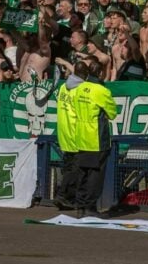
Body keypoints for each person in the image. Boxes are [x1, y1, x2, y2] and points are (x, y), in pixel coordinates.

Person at [56, 60, 118, 218]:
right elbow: (112, 113)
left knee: (83, 171)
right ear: (101, 73)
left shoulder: (78, 89)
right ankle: (90, 206)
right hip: (96, 136)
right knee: (95, 174)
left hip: (80, 134)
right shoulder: (101, 90)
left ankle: (81, 205)